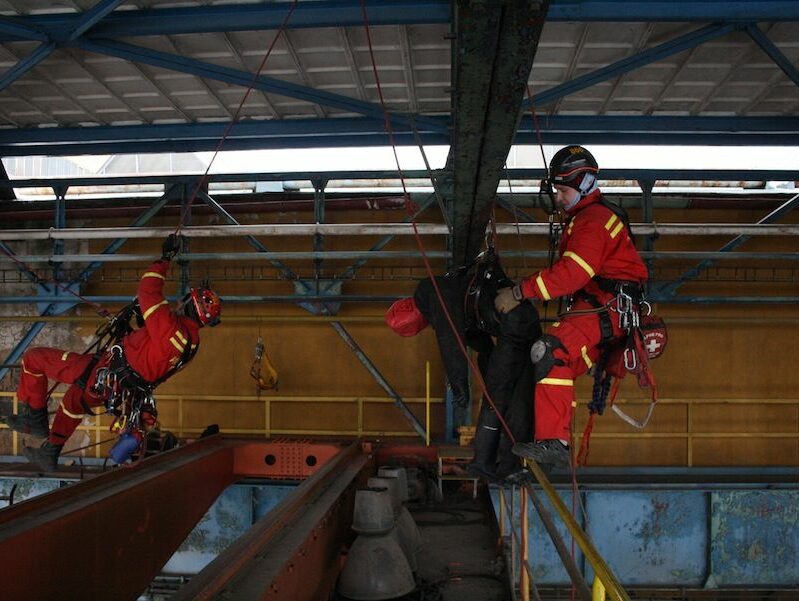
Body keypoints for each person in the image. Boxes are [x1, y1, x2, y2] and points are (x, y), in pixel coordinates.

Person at [2, 235, 222, 472]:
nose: (180, 302)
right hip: (116, 386)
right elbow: (149, 352)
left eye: (185, 300)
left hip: (104, 373)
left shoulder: (171, 329)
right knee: (73, 403)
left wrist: (164, 259)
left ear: (191, 305)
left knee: (34, 359)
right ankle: (50, 451)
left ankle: (33, 418)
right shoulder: (190, 344)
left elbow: (148, 290)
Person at [495, 145, 648, 470]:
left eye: (563, 190)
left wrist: (520, 292)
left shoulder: (593, 221)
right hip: (606, 311)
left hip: (607, 309)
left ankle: (555, 443)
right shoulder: (587, 219)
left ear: (586, 184)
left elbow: (572, 273)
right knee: (547, 367)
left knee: (550, 351)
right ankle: (537, 442)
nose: (559, 198)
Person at [387, 249, 541, 481]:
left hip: (514, 327)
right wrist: (490, 361)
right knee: (519, 396)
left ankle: (486, 464)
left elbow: (451, 341)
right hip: (521, 323)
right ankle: (508, 465)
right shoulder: (445, 289)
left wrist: (461, 388)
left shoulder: (432, 294)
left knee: (496, 400)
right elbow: (473, 335)